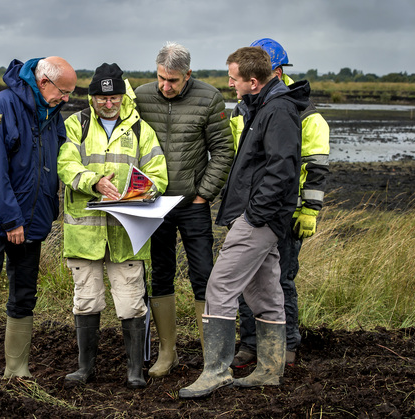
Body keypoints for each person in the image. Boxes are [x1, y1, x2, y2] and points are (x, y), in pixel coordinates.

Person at [179, 46, 310, 398]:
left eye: (233, 79)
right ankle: (269, 370)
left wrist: (254, 215)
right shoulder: (262, 106)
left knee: (219, 286)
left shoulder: (278, 110)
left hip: (259, 219)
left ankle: (216, 371)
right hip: (260, 217)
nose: (229, 84)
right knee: (264, 293)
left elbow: (282, 170)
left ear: (253, 81)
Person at [0, 56, 77, 390]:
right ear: (44, 82)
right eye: (63, 92)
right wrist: (10, 220)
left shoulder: (52, 114)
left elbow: (55, 162)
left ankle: (17, 370)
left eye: (70, 93)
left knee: (24, 295)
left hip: (32, 222)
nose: (67, 99)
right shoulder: (2, 105)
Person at [58, 63, 168, 389]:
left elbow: (158, 175)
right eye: (102, 97)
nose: (109, 103)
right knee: (86, 300)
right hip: (85, 233)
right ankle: (85, 369)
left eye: (114, 96)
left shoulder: (141, 131)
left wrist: (141, 191)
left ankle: (135, 371)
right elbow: (66, 165)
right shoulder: (74, 125)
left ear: (123, 96)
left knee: (132, 301)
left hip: (126, 235)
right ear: (92, 97)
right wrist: (95, 183)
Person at [134, 42, 233, 378]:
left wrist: (204, 194)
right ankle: (167, 353)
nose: (166, 86)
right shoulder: (141, 96)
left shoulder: (210, 98)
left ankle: (212, 356)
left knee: (204, 275)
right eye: (161, 78)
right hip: (154, 204)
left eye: (173, 80)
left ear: (188, 75)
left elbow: (222, 150)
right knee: (160, 273)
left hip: (192, 204)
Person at [231, 38, 330, 369]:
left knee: (280, 280)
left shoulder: (302, 112)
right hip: (250, 210)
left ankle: (286, 347)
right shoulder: (244, 107)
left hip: (285, 211)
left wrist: (309, 210)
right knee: (247, 280)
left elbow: (315, 166)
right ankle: (250, 344)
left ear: (274, 70)